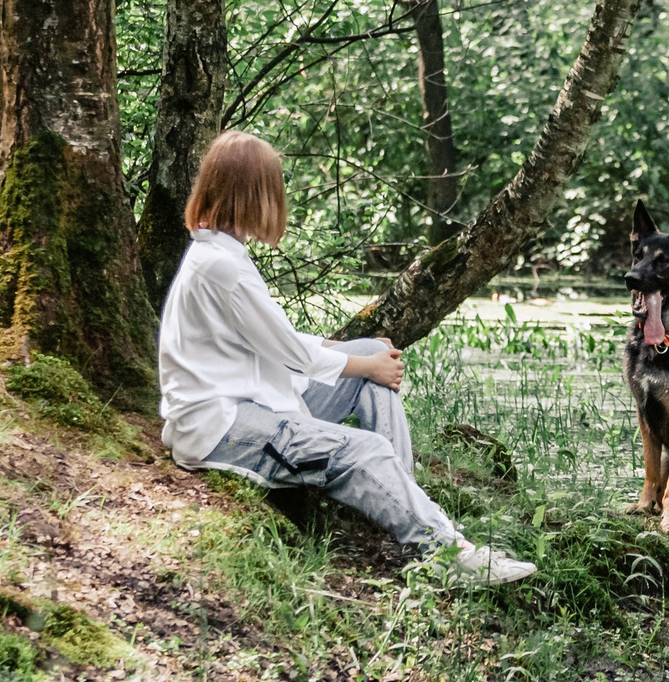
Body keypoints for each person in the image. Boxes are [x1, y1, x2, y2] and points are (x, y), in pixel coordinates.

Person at [157, 130, 536, 584]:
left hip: (250, 403)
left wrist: (356, 355)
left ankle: (410, 501)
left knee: (372, 351)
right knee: (366, 442)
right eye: (274, 188)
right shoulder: (222, 267)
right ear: (255, 194)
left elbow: (270, 339)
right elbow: (291, 353)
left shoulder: (220, 255)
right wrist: (365, 365)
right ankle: (446, 555)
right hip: (222, 428)